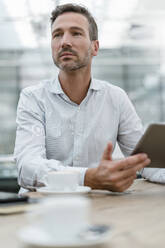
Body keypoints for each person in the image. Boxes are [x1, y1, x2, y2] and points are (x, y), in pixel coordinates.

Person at [14, 3, 152, 192]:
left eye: (76, 33)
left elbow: (146, 161)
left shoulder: (116, 98)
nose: (64, 42)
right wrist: (87, 178)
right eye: (57, 35)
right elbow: (27, 167)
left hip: (99, 207)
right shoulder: (33, 98)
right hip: (41, 208)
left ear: (95, 47)